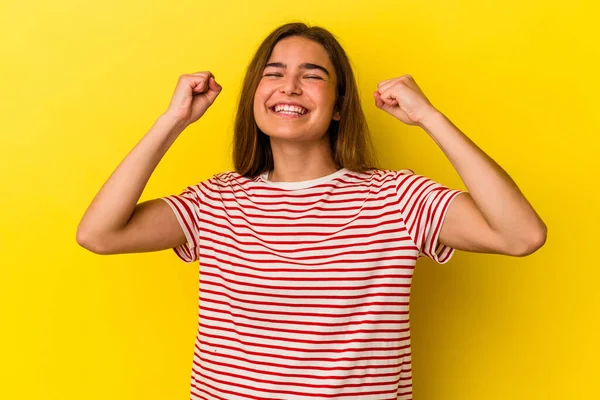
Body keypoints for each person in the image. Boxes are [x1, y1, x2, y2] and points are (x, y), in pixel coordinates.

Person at [77, 22, 547, 400]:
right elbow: (98, 235)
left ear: (339, 106)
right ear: (255, 98)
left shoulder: (396, 199)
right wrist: (172, 120)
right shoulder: (215, 201)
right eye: (274, 73)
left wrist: (430, 118)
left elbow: (520, 236)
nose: (291, 86)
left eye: (313, 75)